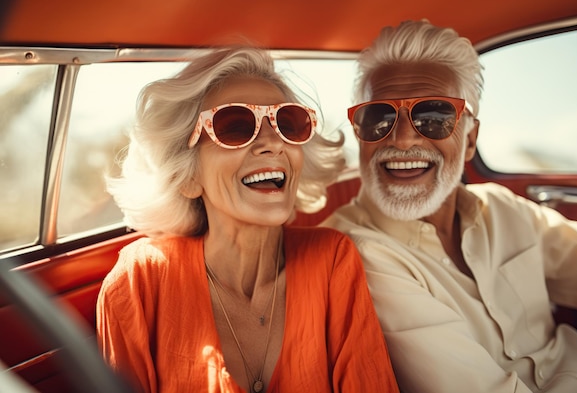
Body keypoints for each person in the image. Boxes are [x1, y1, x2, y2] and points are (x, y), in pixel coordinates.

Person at [322, 19, 577, 393]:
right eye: (379, 118)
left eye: (433, 117)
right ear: (361, 135)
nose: (401, 140)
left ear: (470, 140)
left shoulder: (501, 208)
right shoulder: (352, 254)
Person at [96, 45, 400, 393]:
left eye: (287, 123)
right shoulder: (140, 280)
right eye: (236, 126)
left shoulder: (332, 259)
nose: (273, 143)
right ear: (189, 176)